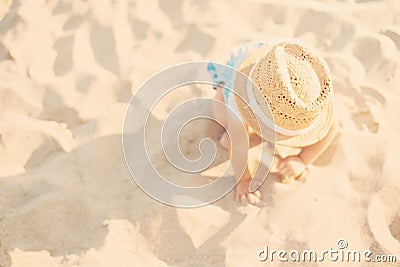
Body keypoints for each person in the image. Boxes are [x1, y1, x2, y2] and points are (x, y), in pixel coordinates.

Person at [207, 41, 338, 205]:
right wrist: (244, 181)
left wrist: (302, 160)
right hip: (250, 71)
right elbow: (237, 145)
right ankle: (223, 92)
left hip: (274, 74)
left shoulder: (312, 92)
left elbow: (332, 128)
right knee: (222, 119)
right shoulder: (240, 97)